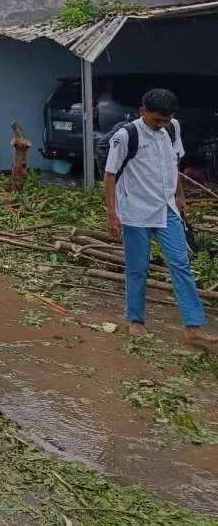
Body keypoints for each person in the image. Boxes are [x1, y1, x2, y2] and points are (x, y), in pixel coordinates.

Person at [104, 89, 218, 346]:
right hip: (135, 211)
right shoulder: (126, 136)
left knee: (181, 265)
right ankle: (136, 320)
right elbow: (110, 175)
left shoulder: (172, 128)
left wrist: (180, 197)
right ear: (143, 111)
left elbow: (173, 163)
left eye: (166, 120)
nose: (162, 125)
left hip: (167, 209)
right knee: (137, 268)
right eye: (157, 120)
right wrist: (112, 214)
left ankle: (193, 325)